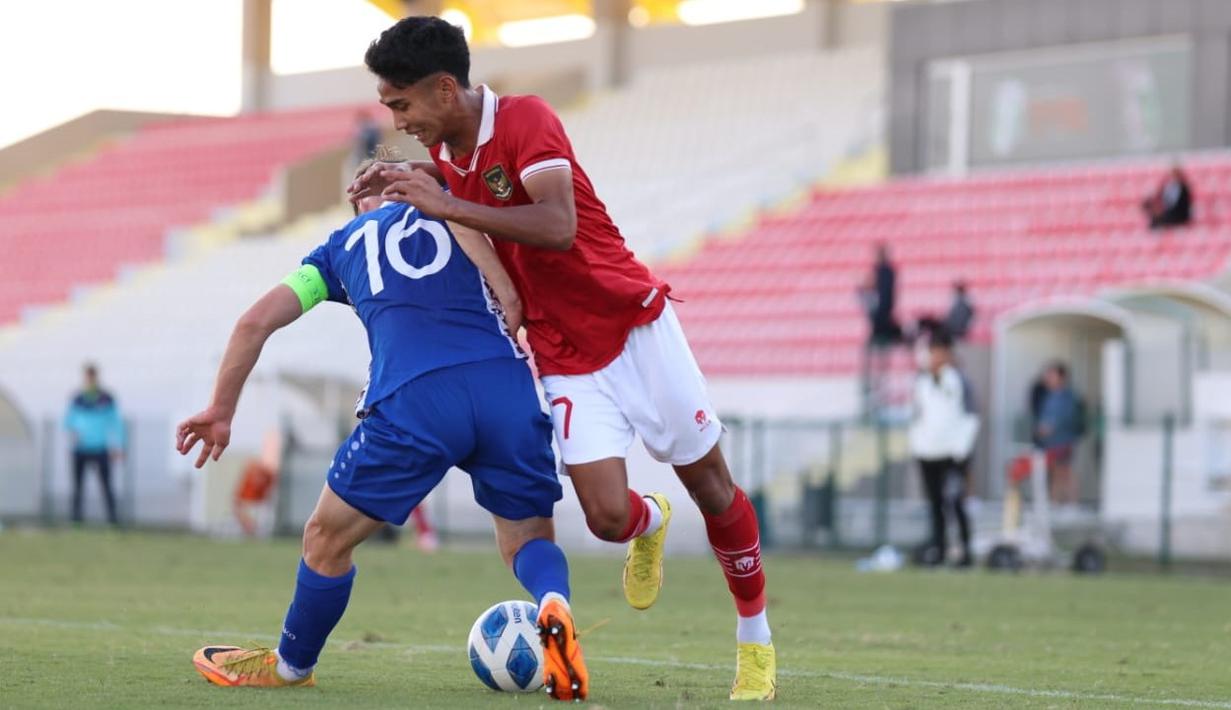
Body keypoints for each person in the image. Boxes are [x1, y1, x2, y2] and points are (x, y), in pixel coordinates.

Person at [352, 17, 774, 700]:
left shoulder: (526, 119)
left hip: (630, 323)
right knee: (606, 520)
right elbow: (473, 183)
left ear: (443, 89)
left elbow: (556, 224)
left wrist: (441, 198)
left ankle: (754, 642)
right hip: (560, 348)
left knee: (713, 486)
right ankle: (650, 521)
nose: (396, 121)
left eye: (401, 105)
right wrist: (421, 178)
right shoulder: (454, 149)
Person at [178, 166, 588, 700]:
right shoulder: (460, 210)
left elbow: (254, 323)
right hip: (506, 388)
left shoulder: (340, 248)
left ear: (358, 203)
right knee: (528, 540)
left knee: (325, 539)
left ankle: (292, 664)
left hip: (416, 401)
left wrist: (220, 410)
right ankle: (554, 604)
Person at [908, 331, 978, 567]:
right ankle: (937, 549)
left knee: (956, 502)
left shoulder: (959, 381)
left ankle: (965, 551)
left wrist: (962, 449)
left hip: (953, 453)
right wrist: (917, 443)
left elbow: (971, 416)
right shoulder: (921, 381)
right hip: (927, 452)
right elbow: (917, 415)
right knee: (934, 504)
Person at [63, 363, 125, 525]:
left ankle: (113, 520)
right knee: (77, 487)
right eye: (87, 376)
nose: (90, 379)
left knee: (106, 486)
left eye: (92, 376)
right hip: (81, 448)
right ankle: (76, 520)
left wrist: (118, 445)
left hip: (100, 448)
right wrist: (73, 434)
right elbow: (67, 422)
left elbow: (116, 423)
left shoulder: (106, 399)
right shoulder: (77, 399)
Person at [1037, 362, 1083, 504]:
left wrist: (1050, 427)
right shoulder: (1050, 396)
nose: (1049, 378)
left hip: (1064, 440)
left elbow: (1066, 416)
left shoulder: (1067, 396)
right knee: (1055, 471)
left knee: (1065, 471)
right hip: (1051, 441)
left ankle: (1071, 502)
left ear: (1062, 377)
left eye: (1052, 375)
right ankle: (1056, 501)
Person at [1142, 164, 1192, 230]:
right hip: (1169, 212)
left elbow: (1181, 204)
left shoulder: (1183, 187)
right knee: (1154, 220)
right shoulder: (1168, 186)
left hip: (1179, 215)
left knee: (1159, 220)